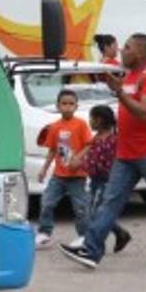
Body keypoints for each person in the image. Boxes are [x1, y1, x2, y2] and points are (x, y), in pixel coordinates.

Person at [59, 34, 146, 270]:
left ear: (140, 52)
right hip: (126, 152)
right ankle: (91, 250)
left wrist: (120, 93)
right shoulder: (130, 76)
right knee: (110, 202)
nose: (122, 51)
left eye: (127, 48)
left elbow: (145, 112)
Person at [67, 104, 131, 253]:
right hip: (97, 180)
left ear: (100, 120)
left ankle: (93, 245)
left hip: (105, 181)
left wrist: (80, 164)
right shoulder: (98, 138)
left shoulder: (109, 141)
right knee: (99, 211)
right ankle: (120, 233)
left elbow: (99, 165)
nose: (90, 121)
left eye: (92, 118)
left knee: (96, 212)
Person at [36, 90, 92, 248]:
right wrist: (44, 169)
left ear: (76, 106)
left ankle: (84, 236)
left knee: (80, 207)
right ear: (58, 106)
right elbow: (53, 150)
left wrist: (78, 157)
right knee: (47, 202)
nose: (67, 107)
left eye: (71, 104)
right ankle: (44, 232)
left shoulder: (81, 124)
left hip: (77, 175)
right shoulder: (54, 127)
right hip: (59, 175)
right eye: (64, 103)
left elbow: (89, 144)